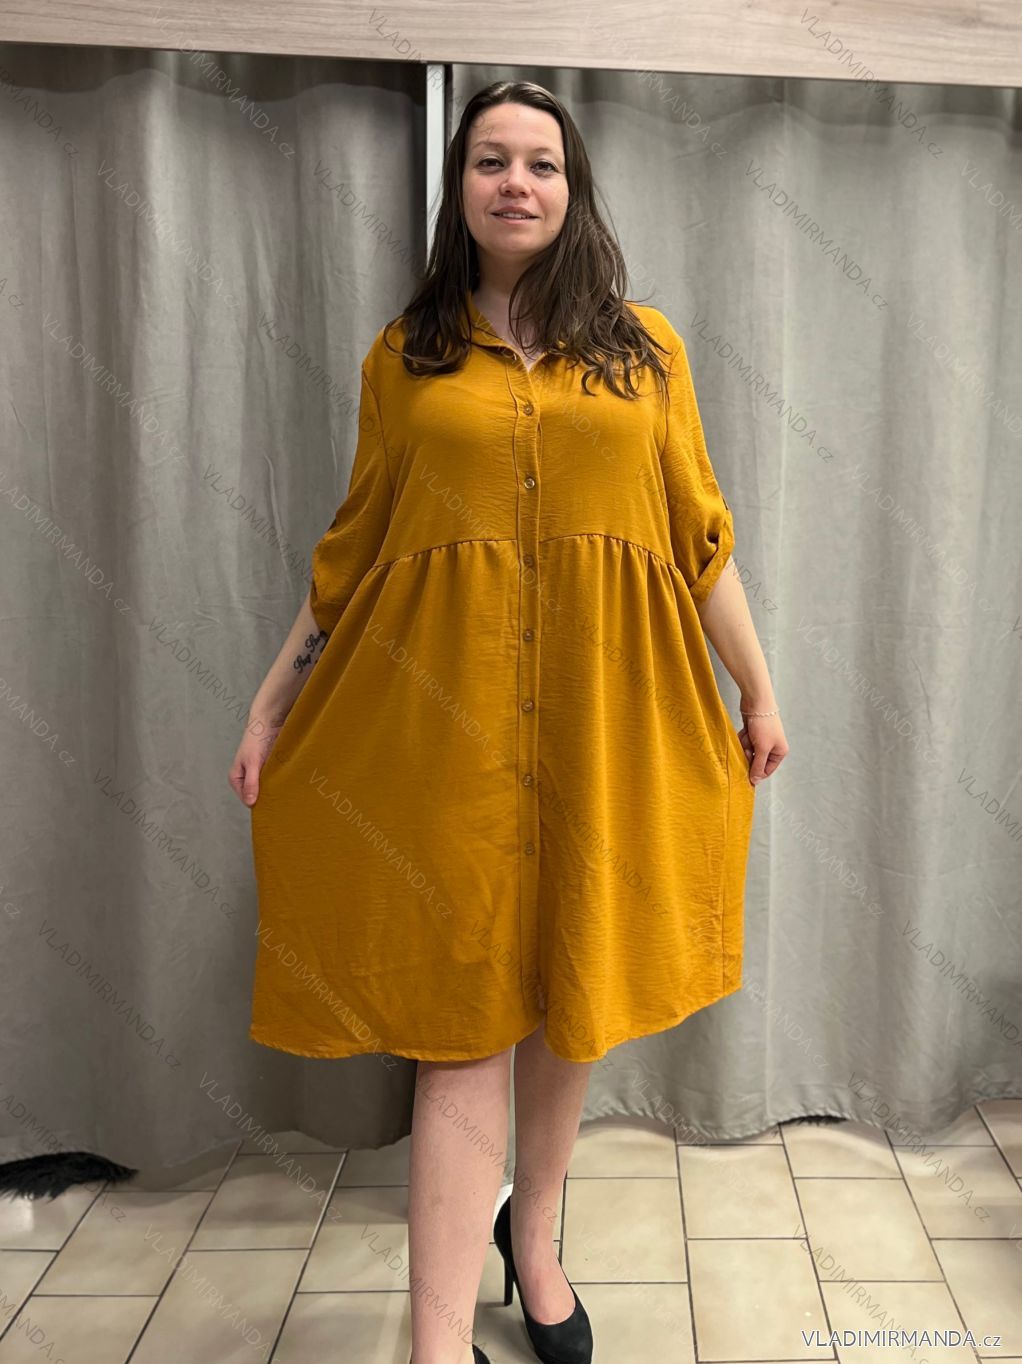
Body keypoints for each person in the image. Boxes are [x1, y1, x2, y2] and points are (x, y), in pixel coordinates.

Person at [229, 79, 787, 1364]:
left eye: (540, 161)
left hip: (605, 728)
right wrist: (269, 706)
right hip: (448, 745)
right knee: (463, 1024)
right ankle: (436, 1343)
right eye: (490, 160)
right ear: (460, 190)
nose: (515, 182)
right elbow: (351, 556)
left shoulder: (645, 354)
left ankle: (531, 1242)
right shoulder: (404, 359)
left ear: (572, 188)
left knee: (571, 1000)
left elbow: (698, 540)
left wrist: (757, 688)